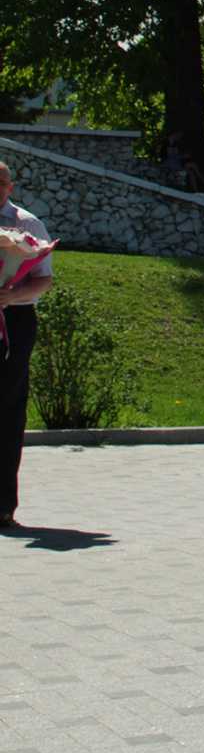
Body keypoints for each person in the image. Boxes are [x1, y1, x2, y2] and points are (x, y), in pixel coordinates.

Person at [0, 162, 54, 532]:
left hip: (14, 321)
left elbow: (44, 280)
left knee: (7, 409)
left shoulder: (27, 224)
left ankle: (3, 504)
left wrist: (11, 295)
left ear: (11, 187)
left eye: (0, 182)